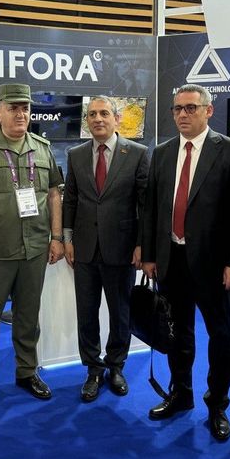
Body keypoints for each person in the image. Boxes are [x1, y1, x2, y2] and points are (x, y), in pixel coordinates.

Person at [141, 83, 230, 441]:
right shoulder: (162, 153)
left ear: (208, 110)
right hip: (171, 260)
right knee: (177, 332)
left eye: (191, 108)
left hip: (216, 266)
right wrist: (149, 255)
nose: (183, 114)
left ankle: (217, 404)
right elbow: (151, 209)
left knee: (221, 335)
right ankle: (181, 393)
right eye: (177, 109)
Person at [0, 83, 64, 411]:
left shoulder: (42, 148)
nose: (20, 114)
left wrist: (56, 237)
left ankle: (27, 371)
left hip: (34, 248)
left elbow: (54, 194)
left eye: (25, 108)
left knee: (28, 315)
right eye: (13, 108)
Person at [62, 95, 149, 402]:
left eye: (103, 113)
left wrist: (142, 244)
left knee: (120, 312)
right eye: (92, 114)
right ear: (87, 120)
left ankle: (116, 366)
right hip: (84, 249)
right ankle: (93, 369)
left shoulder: (137, 153)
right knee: (86, 314)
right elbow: (70, 199)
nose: (98, 119)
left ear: (116, 118)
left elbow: (145, 204)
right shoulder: (75, 155)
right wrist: (67, 239)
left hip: (121, 248)